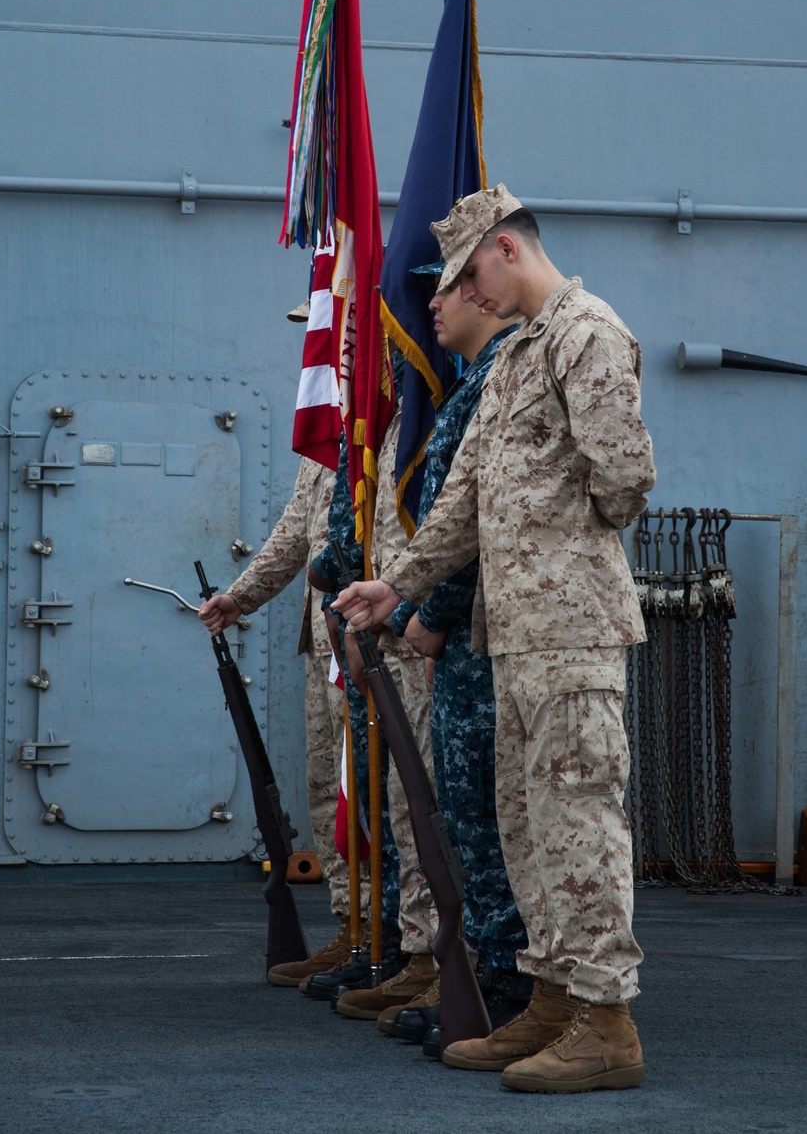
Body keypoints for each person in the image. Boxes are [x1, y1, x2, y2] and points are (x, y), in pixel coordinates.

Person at [334, 185, 656, 1095]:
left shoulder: (588, 332)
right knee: (529, 833)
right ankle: (552, 1003)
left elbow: (626, 479)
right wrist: (396, 584)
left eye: (472, 270)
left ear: (508, 250)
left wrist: (563, 542)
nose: (467, 291)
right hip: (511, 639)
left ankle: (607, 1023)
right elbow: (462, 503)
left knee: (581, 824)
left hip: (572, 632)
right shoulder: (516, 358)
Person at [387, 262, 530, 1055]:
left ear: (480, 289)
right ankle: (488, 975)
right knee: (468, 813)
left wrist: (432, 612)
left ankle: (508, 987)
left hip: (481, 636)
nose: (430, 307)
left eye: (438, 290)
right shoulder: (469, 384)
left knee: (485, 815)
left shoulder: (492, 381)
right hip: (467, 633)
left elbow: (479, 515)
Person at [198, 300, 359, 988]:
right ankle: (355, 926)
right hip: (323, 641)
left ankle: (404, 940)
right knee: (328, 788)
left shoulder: (392, 421)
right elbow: (298, 528)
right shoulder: (327, 430)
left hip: (368, 638)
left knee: (380, 793)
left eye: (332, 332)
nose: (321, 348)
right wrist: (240, 596)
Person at [311, 352, 439, 1024]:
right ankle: (399, 949)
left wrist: (426, 616)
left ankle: (443, 962)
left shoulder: (427, 405)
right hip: (378, 630)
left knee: (431, 811)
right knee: (391, 807)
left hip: (422, 639)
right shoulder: (372, 423)